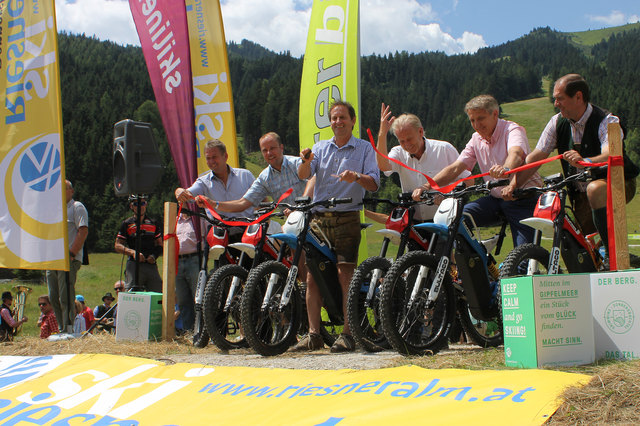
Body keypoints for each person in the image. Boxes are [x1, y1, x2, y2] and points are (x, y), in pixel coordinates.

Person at [517, 73, 639, 256]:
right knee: (586, 251)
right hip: (579, 194)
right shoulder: (557, 122)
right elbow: (537, 156)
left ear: (578, 97)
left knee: (595, 189)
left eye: (560, 99)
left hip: (617, 183)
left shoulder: (607, 120)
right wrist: (513, 182)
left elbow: (610, 154)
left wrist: (585, 161)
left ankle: (612, 255)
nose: (556, 104)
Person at [296, 100, 380, 353]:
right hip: (319, 219)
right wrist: (305, 160)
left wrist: (355, 177)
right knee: (312, 277)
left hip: (347, 217)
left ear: (353, 121)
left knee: (346, 276)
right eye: (334, 118)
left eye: (342, 117)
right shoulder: (320, 148)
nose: (337, 122)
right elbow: (303, 175)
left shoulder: (364, 149)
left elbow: (374, 183)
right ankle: (313, 334)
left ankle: (347, 333)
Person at [416, 95, 543, 247]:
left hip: (522, 198)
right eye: (472, 120)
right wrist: (427, 186)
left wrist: (506, 168)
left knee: (524, 257)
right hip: (496, 199)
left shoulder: (512, 130)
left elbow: (515, 153)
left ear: (495, 114)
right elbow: (456, 168)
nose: (476, 125)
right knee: (456, 219)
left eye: (481, 118)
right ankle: (477, 262)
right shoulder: (476, 138)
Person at [376, 103, 471, 221]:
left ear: (420, 132)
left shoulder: (444, 149)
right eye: (402, 141)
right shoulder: (398, 153)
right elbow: (383, 166)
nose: (407, 145)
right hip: (413, 223)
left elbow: (469, 181)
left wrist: (448, 197)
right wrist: (382, 134)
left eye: (409, 139)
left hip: (445, 221)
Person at [200, 132, 308, 213]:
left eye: (272, 148)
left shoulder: (297, 163)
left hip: (315, 217)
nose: (269, 153)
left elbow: (314, 179)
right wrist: (214, 204)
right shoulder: (264, 177)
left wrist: (299, 208)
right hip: (293, 224)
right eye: (265, 150)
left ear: (281, 147)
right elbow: (242, 203)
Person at [46, 180, 89, 333]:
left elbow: (83, 231)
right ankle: (60, 327)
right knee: (53, 296)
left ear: (71, 191)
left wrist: (72, 253)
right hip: (53, 259)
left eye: (63, 189)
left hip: (69, 259)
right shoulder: (54, 210)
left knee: (65, 295)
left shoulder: (76, 207)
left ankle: (69, 327)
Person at [175, 139, 255, 219]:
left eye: (214, 157)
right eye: (208, 158)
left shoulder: (245, 175)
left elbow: (262, 200)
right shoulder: (203, 182)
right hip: (220, 229)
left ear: (225, 156)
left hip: (248, 228)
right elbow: (188, 194)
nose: (211, 161)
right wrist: (179, 191)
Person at [114, 195, 163, 292]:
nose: (140, 206)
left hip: (150, 264)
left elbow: (160, 244)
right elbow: (117, 245)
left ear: (146, 205)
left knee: (158, 293)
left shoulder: (153, 223)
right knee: (133, 294)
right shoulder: (127, 223)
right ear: (131, 206)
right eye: (136, 204)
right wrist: (132, 253)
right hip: (134, 264)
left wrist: (154, 255)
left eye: (142, 203)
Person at [174, 213, 202, 332]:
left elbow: (206, 240)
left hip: (194, 259)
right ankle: (188, 330)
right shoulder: (175, 221)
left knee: (198, 297)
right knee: (182, 298)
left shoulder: (198, 219)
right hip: (177, 261)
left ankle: (200, 330)